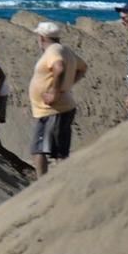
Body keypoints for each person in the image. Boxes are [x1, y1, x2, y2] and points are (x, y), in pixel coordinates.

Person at [27, 21, 87, 174]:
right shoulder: (64, 50)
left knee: (38, 150)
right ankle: (63, 183)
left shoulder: (53, 51)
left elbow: (59, 68)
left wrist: (55, 92)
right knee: (60, 152)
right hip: (63, 106)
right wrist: (65, 87)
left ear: (42, 37)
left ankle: (43, 184)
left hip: (51, 110)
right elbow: (82, 67)